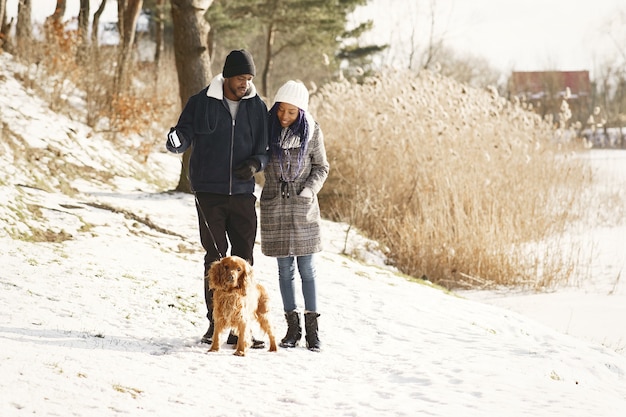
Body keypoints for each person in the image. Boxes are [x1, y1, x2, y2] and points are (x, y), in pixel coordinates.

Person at [166, 50, 269, 348]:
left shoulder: (256, 108)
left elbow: (265, 150)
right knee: (215, 260)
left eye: (249, 79)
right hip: (208, 193)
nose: (245, 84)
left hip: (243, 194)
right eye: (240, 78)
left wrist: (255, 165)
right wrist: (175, 142)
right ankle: (215, 324)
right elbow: (182, 134)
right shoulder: (201, 102)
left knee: (244, 261)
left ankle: (240, 327)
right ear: (227, 76)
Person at [260, 80, 329, 352]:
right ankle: (293, 329)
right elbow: (258, 158)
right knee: (284, 271)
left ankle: (313, 332)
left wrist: (310, 190)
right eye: (281, 111)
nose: (284, 117)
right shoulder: (267, 132)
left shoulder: (312, 133)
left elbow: (322, 167)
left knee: (307, 270)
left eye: (291, 112)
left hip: (303, 209)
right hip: (275, 207)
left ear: (300, 112)